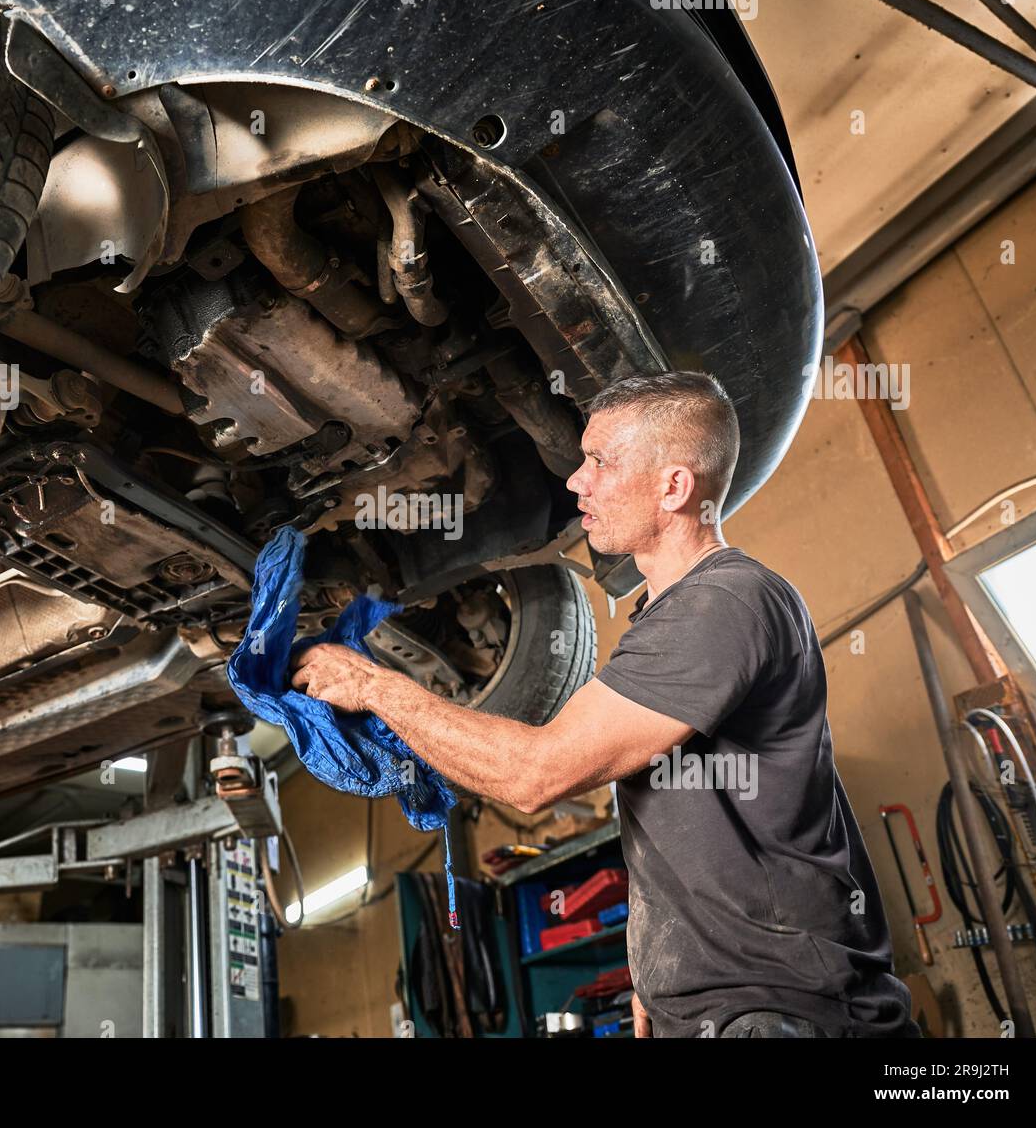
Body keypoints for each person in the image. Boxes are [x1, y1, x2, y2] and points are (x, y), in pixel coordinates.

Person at [292, 371, 915, 1038]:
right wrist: (660, 976)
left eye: (600, 461)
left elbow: (535, 774)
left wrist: (374, 686)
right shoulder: (672, 616)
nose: (575, 481)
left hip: (784, 1011)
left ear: (673, 487)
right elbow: (680, 827)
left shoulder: (723, 602)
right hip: (723, 1008)